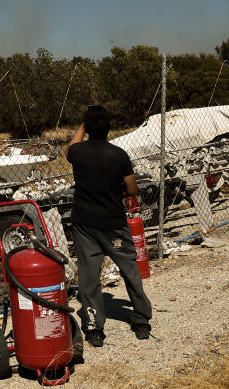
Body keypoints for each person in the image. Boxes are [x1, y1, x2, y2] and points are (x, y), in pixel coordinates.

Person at [66, 104, 152, 346]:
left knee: (89, 275)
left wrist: (82, 127)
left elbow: (71, 147)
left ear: (86, 127)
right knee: (129, 269)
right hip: (114, 223)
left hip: (84, 224)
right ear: (109, 126)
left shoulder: (78, 153)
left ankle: (94, 328)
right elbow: (132, 189)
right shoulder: (119, 155)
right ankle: (141, 320)